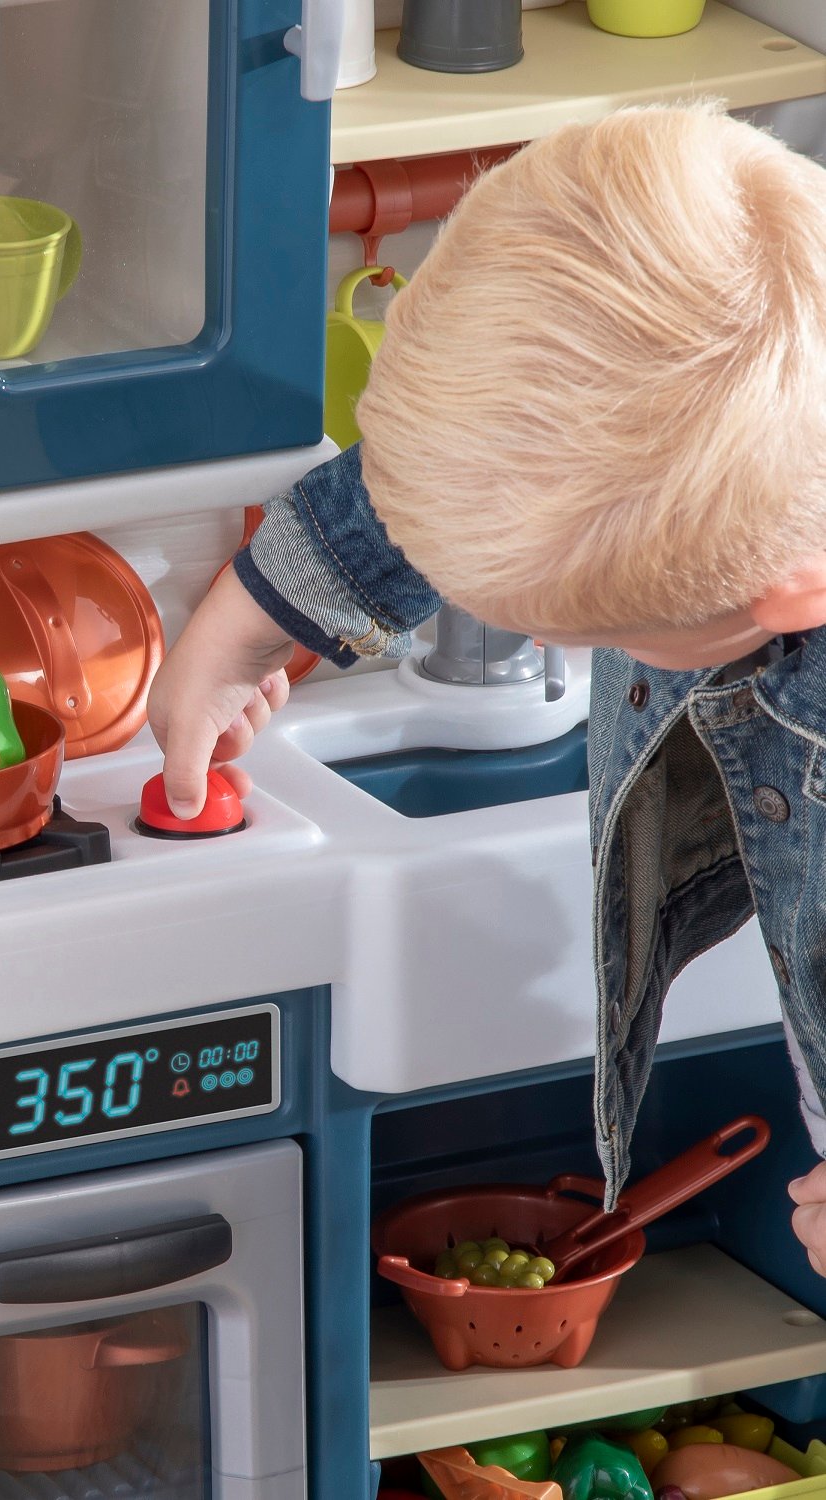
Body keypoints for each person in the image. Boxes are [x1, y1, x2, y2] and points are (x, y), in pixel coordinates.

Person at [146, 104, 826, 1270]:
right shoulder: (752, 437)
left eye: (595, 628)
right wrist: (243, 630)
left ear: (786, 594)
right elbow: (507, 458)